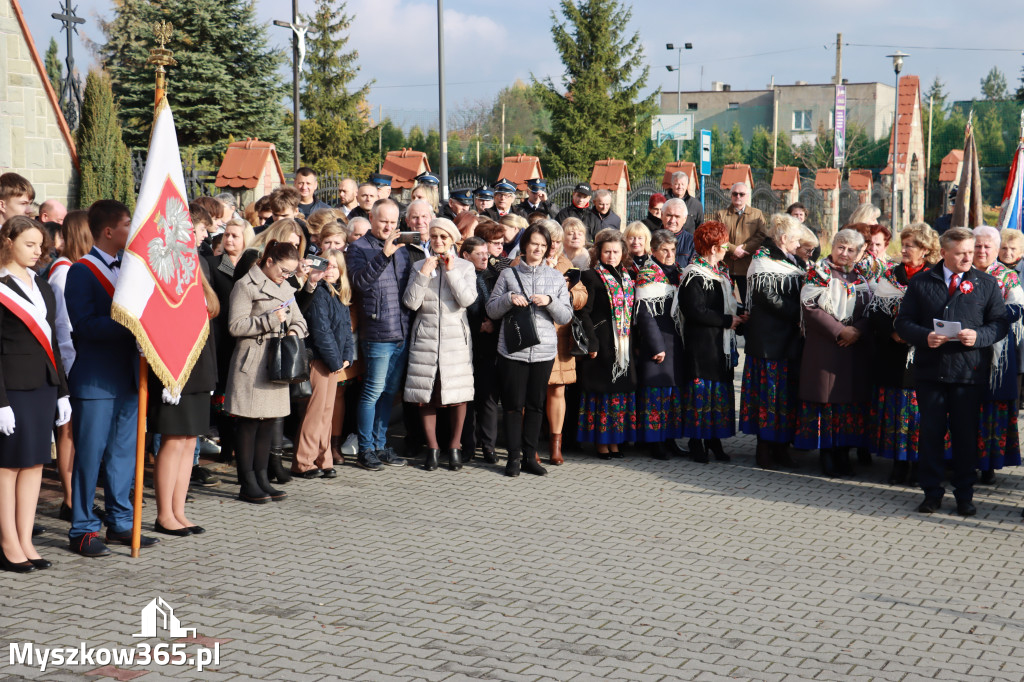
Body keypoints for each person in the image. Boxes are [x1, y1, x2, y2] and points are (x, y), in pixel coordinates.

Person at [66, 200, 158, 556]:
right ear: (108, 231)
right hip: (96, 379)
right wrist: (131, 324)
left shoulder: (131, 269)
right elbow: (84, 325)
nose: (131, 231)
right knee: (90, 456)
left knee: (123, 456)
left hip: (130, 376)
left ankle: (121, 522)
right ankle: (83, 528)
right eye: (126, 224)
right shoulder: (81, 271)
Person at [895, 227, 1008, 516]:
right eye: (961, 253)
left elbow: (999, 323)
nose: (969, 257)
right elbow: (903, 322)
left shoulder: (986, 283)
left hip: (968, 373)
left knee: (965, 435)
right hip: (931, 372)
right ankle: (931, 493)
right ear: (944, 253)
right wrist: (924, 337)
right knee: (931, 433)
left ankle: (964, 495)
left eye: (971, 252)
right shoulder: (921, 282)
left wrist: (979, 337)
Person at [0, 216, 70, 572]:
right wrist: (0, 403)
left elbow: (54, 342)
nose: (37, 251)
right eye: (29, 244)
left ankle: (26, 539)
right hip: (11, 389)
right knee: (8, 467)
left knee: (35, 464)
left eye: (40, 245)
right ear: (8, 241)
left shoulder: (42, 286)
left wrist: (62, 392)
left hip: (43, 386)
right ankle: (7, 542)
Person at [486, 224, 572, 476]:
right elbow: (491, 309)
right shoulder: (508, 275)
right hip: (512, 350)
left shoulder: (556, 276)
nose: (538, 248)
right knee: (513, 406)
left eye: (543, 245)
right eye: (534, 243)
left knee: (535, 405)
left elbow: (566, 315)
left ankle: (529, 457)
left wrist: (549, 301)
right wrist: (508, 299)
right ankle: (513, 458)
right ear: (524, 245)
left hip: (544, 351)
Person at [225, 240, 308, 503]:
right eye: (284, 270)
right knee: (250, 423)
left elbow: (300, 320)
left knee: (269, 422)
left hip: (278, 362)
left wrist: (294, 331)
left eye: (291, 273)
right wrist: (271, 320)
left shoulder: (285, 286)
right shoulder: (245, 285)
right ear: (268, 261)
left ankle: (262, 477)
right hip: (252, 362)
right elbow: (235, 326)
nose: (286, 277)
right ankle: (246, 481)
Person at [794, 228, 873, 476]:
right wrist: (840, 330)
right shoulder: (818, 273)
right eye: (841, 247)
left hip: (853, 350)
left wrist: (857, 331)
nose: (845, 253)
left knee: (848, 404)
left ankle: (844, 453)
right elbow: (810, 307)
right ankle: (826, 454)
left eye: (851, 250)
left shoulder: (862, 277)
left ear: (860, 253)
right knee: (827, 401)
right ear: (833, 247)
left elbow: (873, 309)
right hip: (826, 347)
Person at [865, 222, 940, 485]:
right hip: (894, 355)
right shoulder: (890, 275)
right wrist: (892, 332)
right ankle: (898, 463)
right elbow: (875, 310)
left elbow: (942, 313)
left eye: (911, 245)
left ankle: (920, 465)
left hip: (924, 354)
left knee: (920, 414)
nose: (904, 249)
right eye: (904, 244)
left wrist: (917, 335)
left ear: (925, 250)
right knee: (896, 411)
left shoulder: (936, 276)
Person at [402, 218, 477, 471]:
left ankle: (454, 447)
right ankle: (432, 448)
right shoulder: (418, 265)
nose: (438, 241)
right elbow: (411, 303)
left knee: (458, 394)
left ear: (453, 239)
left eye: (443, 237)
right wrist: (424, 274)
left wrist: (452, 270)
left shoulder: (466, 267)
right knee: (426, 395)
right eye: (434, 237)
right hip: (426, 338)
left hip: (455, 340)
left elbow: (467, 300)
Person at [149, 265, 218, 536]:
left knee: (190, 443)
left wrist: (211, 378)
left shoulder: (199, 286)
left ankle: (179, 511)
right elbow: (162, 335)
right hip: (174, 374)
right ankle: (164, 514)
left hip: (199, 373)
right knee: (174, 441)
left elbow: (209, 338)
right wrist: (168, 376)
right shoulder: (166, 288)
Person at [346, 199, 411, 470]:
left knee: (388, 393)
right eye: (384, 221)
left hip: (401, 331)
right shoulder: (358, 248)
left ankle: (381, 445)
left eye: (393, 222)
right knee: (372, 392)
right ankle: (365, 449)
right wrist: (384, 255)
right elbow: (359, 284)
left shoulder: (403, 250)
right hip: (377, 332)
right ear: (371, 219)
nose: (389, 226)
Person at [675, 221, 746, 462]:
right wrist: (727, 320)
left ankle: (714, 440)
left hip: (720, 344)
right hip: (702, 345)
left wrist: (740, 314)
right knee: (701, 392)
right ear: (714, 248)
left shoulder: (720, 272)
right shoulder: (693, 274)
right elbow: (696, 311)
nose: (727, 249)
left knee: (718, 392)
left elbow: (725, 304)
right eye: (724, 245)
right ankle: (697, 442)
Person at [739, 213, 806, 469]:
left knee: (784, 396)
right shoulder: (762, 259)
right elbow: (767, 297)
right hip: (768, 341)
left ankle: (780, 447)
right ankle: (764, 449)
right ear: (784, 238)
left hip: (788, 339)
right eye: (796, 239)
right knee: (767, 397)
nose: (799, 245)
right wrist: (798, 312)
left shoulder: (793, 260)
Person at [293, 248, 355, 479]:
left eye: (335, 266)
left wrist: (347, 356)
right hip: (320, 361)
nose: (331, 270)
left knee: (326, 413)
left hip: (334, 362)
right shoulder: (318, 293)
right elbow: (321, 332)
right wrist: (335, 361)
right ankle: (303, 462)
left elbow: (346, 331)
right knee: (315, 412)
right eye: (327, 265)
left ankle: (323, 458)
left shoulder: (339, 294)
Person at [576, 228, 636, 458]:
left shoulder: (628, 276)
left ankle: (616, 441)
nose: (611, 256)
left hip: (623, 343)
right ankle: (601, 442)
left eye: (616, 251)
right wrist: (591, 342)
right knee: (602, 392)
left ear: (623, 253)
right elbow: (585, 313)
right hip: (602, 341)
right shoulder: (591, 276)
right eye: (607, 251)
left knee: (619, 391)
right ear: (599, 253)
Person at [531, 219, 587, 465]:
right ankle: (529, 444)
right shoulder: (524, 261)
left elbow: (582, 295)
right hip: (532, 335)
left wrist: (569, 292)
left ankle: (556, 446)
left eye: (556, 242)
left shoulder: (566, 263)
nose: (552, 247)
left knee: (558, 389)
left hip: (558, 336)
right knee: (530, 393)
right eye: (548, 241)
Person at [971, 226, 1023, 484]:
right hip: (963, 351)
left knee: (992, 405)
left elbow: (1017, 307)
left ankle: (988, 463)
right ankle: (959, 461)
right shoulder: (960, 271)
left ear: (995, 249)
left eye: (987, 246)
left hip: (997, 353)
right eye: (977, 245)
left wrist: (989, 321)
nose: (981, 251)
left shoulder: (1007, 276)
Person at [49, 210, 91, 519]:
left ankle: (77, 496)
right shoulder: (63, 271)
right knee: (68, 432)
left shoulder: (77, 268)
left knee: (77, 433)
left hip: (80, 361)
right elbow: (63, 326)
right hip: (70, 362)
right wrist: (70, 368)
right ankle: (69, 498)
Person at [633, 229, 684, 459]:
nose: (669, 254)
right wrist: (656, 346)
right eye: (664, 250)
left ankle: (670, 439)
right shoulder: (648, 274)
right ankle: (654, 442)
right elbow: (644, 314)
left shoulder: (677, 272)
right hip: (659, 343)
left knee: (672, 392)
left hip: (676, 342)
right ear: (653, 251)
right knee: (655, 393)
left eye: (673, 250)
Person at [206, 219, 251, 469]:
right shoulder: (213, 264)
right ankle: (226, 445)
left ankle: (241, 444)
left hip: (245, 335)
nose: (230, 239)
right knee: (222, 389)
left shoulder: (251, 265)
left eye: (235, 235)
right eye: (227, 235)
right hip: (221, 335)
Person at [460, 237, 500, 465]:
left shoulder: (494, 276)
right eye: (479, 254)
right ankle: (468, 446)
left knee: (488, 398)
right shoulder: (460, 275)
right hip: (465, 344)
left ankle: (489, 447)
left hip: (490, 346)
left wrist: (493, 325)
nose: (485, 257)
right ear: (466, 256)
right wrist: (478, 326)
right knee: (467, 399)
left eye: (486, 253)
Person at [712, 181, 767, 303]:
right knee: (724, 301)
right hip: (725, 265)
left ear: (747, 196)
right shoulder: (721, 215)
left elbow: (762, 235)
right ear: (731, 195)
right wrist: (733, 249)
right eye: (735, 194)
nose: (738, 197)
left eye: (741, 194)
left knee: (748, 301)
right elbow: (717, 236)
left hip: (747, 266)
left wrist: (745, 249)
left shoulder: (757, 215)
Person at [660, 198, 696, 268]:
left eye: (677, 216)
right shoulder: (651, 239)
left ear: (685, 219)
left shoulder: (692, 242)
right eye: (669, 215)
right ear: (662, 215)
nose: (672, 220)